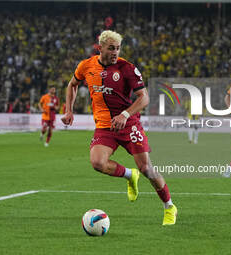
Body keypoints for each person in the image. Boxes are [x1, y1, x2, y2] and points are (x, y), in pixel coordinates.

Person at [61, 30, 177, 225]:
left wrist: (125, 114)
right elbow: (72, 84)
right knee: (97, 163)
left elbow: (144, 97)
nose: (115, 52)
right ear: (100, 48)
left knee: (147, 168)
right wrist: (68, 110)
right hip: (105, 127)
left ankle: (169, 206)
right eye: (111, 48)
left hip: (128, 124)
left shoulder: (127, 69)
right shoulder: (86, 65)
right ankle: (130, 175)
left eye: (118, 48)